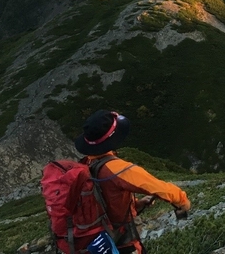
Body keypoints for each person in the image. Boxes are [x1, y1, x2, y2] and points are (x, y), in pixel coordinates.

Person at [75, 109, 191, 254]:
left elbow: (103, 200)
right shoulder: (118, 169)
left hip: (93, 241)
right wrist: (183, 203)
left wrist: (136, 204)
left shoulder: (86, 164)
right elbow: (160, 188)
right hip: (120, 241)